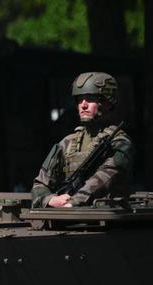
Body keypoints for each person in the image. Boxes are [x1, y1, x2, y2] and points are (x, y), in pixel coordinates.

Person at [32, 72, 134, 208]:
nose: (83, 105)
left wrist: (73, 202)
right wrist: (49, 200)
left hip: (104, 217)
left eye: (90, 99)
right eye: (79, 100)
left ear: (107, 102)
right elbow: (40, 184)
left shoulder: (119, 142)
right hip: (67, 215)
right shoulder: (67, 143)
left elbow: (105, 177)